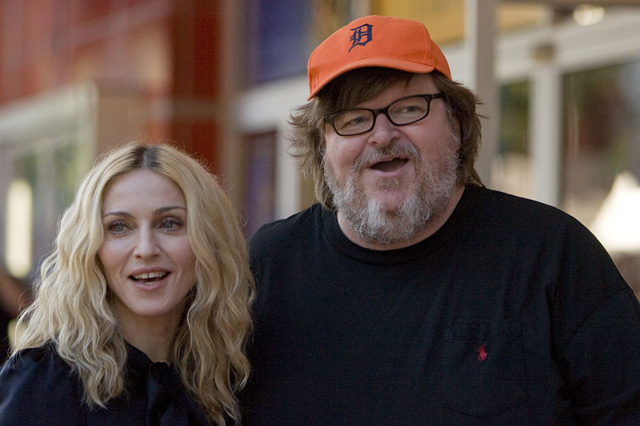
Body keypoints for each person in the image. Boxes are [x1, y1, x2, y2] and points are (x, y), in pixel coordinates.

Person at [240, 15, 640, 425]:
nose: (381, 135)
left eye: (408, 108)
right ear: (322, 147)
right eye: (353, 118)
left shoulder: (551, 255)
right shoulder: (266, 269)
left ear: (457, 124)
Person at [0, 143, 254, 425]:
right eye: (119, 227)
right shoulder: (44, 382)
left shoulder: (230, 377)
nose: (145, 249)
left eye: (169, 223)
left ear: (208, 241)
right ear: (91, 249)